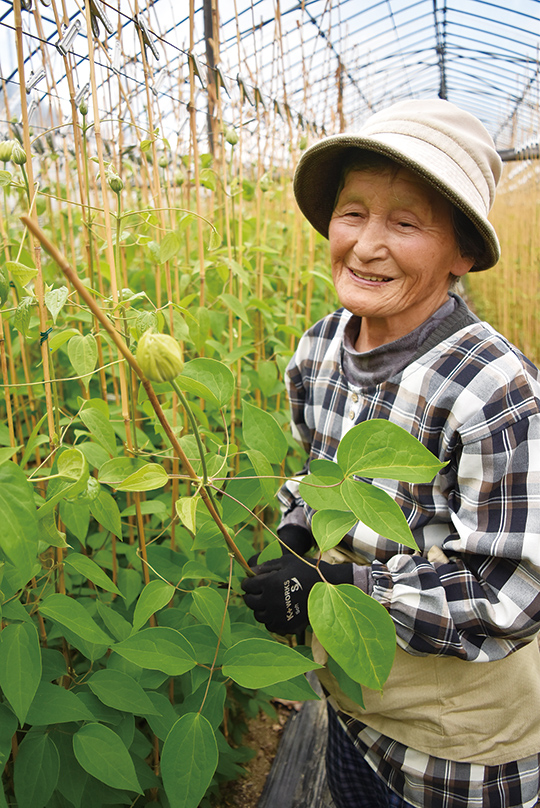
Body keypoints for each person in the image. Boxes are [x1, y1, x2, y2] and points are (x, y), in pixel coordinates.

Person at [241, 99, 540, 808]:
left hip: (454, 757)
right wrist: (298, 527)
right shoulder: (321, 345)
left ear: (462, 252)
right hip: (352, 705)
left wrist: (341, 594)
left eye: (405, 222)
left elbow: (512, 592)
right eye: (353, 213)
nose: (368, 244)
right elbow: (317, 472)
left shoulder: (495, 390)